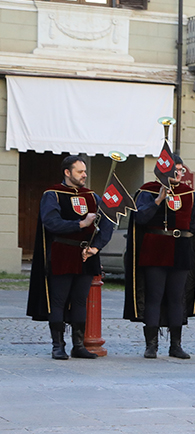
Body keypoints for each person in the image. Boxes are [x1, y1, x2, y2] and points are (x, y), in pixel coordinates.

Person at [27, 154, 113, 360]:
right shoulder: (53, 194)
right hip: (62, 253)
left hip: (86, 255)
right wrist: (80, 224)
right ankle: (58, 346)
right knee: (58, 301)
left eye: (85, 171)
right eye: (80, 171)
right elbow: (51, 222)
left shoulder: (92, 196)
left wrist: (96, 247)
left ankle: (78, 345)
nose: (84, 175)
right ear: (67, 172)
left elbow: (108, 223)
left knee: (80, 301)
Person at [124, 155, 195, 359]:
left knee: (177, 296)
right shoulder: (146, 191)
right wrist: (158, 200)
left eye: (181, 170)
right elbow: (140, 217)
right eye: (175, 170)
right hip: (155, 246)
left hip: (181, 247)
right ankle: (151, 344)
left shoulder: (189, 193)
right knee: (154, 295)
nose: (179, 174)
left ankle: (175, 344)